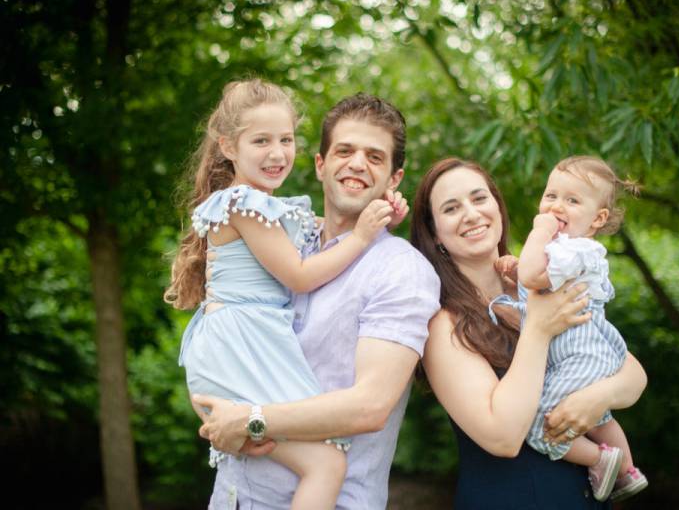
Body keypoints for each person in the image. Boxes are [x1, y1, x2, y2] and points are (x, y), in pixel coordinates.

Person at [189, 93, 442, 509]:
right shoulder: (284, 240)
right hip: (234, 498)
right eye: (345, 151)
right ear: (321, 164)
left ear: (394, 179)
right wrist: (217, 417)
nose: (358, 164)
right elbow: (219, 343)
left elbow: (371, 406)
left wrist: (251, 421)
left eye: (375, 157)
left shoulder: (401, 271)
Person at [410, 157, 648, 509]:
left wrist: (597, 398)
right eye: (451, 208)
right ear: (434, 233)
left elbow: (630, 373)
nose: (471, 214)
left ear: (497, 206)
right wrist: (537, 327)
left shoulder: (543, 282)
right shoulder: (443, 323)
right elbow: (503, 437)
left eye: (479, 199)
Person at [495, 155, 648, 502]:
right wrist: (516, 267)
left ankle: (601, 459)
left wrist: (538, 233)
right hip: (583, 353)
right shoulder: (565, 251)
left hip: (578, 353)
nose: (556, 206)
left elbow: (535, 278)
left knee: (540, 423)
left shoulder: (578, 249)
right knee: (598, 418)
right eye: (551, 196)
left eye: (572, 200)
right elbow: (538, 280)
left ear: (598, 219)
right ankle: (627, 472)